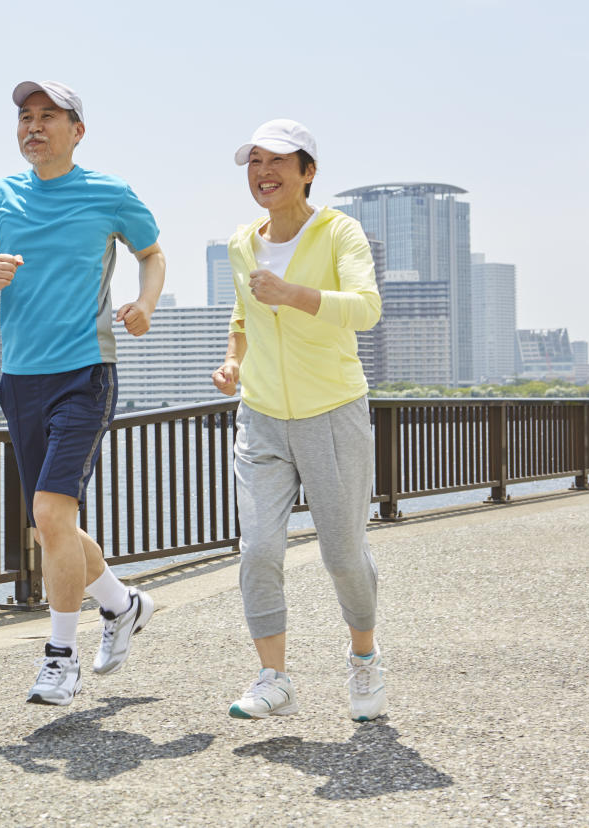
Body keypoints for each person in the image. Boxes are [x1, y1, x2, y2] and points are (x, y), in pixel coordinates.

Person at [0, 80, 166, 706]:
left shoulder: (109, 192)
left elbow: (152, 254)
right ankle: (122, 603)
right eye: (26, 117)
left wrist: (146, 305)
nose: (34, 126)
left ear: (77, 131)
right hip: (20, 380)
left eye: (48, 116)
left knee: (51, 516)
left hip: (85, 371)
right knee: (55, 525)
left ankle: (60, 658)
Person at [210, 118, 386, 722]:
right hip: (259, 416)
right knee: (258, 549)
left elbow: (366, 309)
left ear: (308, 171)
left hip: (332, 412)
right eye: (254, 161)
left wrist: (293, 295)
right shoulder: (242, 242)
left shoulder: (340, 232)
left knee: (343, 554)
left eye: (278, 161)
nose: (264, 172)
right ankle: (274, 678)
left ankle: (363, 655)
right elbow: (242, 317)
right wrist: (232, 363)